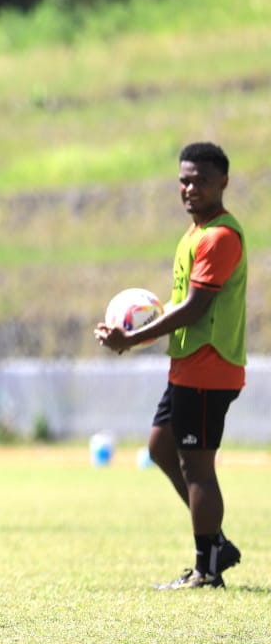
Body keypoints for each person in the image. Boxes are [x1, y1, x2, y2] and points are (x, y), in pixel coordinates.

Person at [95, 141, 245, 590]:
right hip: (186, 367)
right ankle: (217, 541)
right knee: (161, 447)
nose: (189, 187)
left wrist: (132, 339)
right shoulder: (194, 234)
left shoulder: (219, 236)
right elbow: (180, 302)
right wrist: (134, 332)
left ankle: (207, 567)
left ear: (223, 182)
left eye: (200, 179)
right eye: (184, 179)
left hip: (208, 368)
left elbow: (196, 308)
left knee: (198, 467)